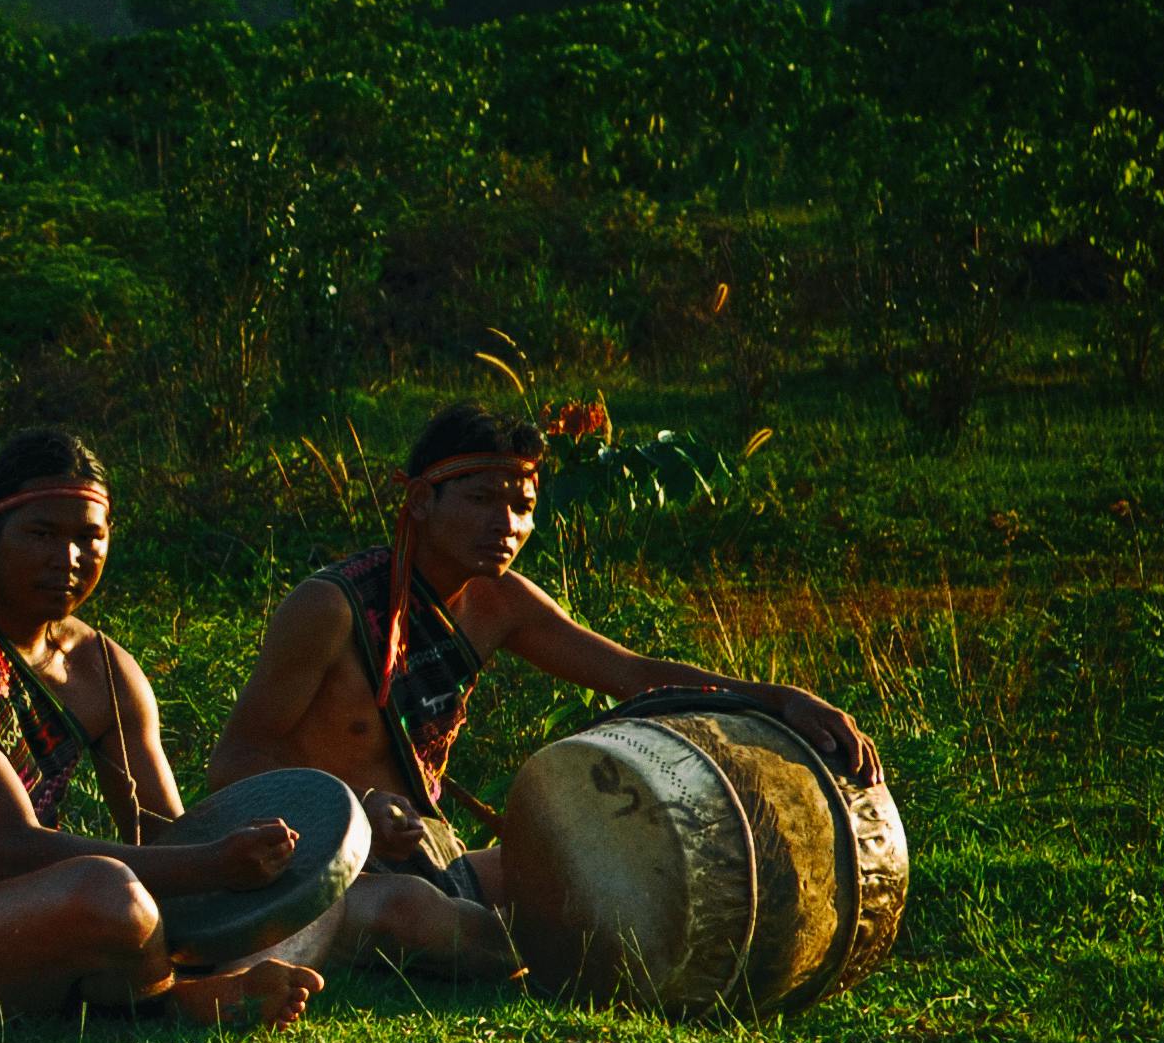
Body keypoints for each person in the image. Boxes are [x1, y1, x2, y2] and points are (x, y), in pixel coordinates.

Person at [206, 402, 881, 945]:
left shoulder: (501, 603)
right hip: (325, 861)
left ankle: (517, 939)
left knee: (600, 883)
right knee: (412, 914)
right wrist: (356, 808)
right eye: (480, 498)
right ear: (418, 500)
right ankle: (508, 947)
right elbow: (236, 760)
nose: (507, 523)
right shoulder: (331, 608)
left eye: (523, 504)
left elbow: (635, 676)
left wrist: (773, 699)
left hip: (429, 850)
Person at [0, 430, 337, 1032]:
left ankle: (189, 980)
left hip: (20, 911)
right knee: (107, 895)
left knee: (324, 887)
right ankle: (176, 1001)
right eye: (42, 535)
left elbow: (167, 833)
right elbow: (15, 845)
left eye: (89, 537)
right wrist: (214, 865)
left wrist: (254, 868)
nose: (67, 560)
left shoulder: (102, 667)